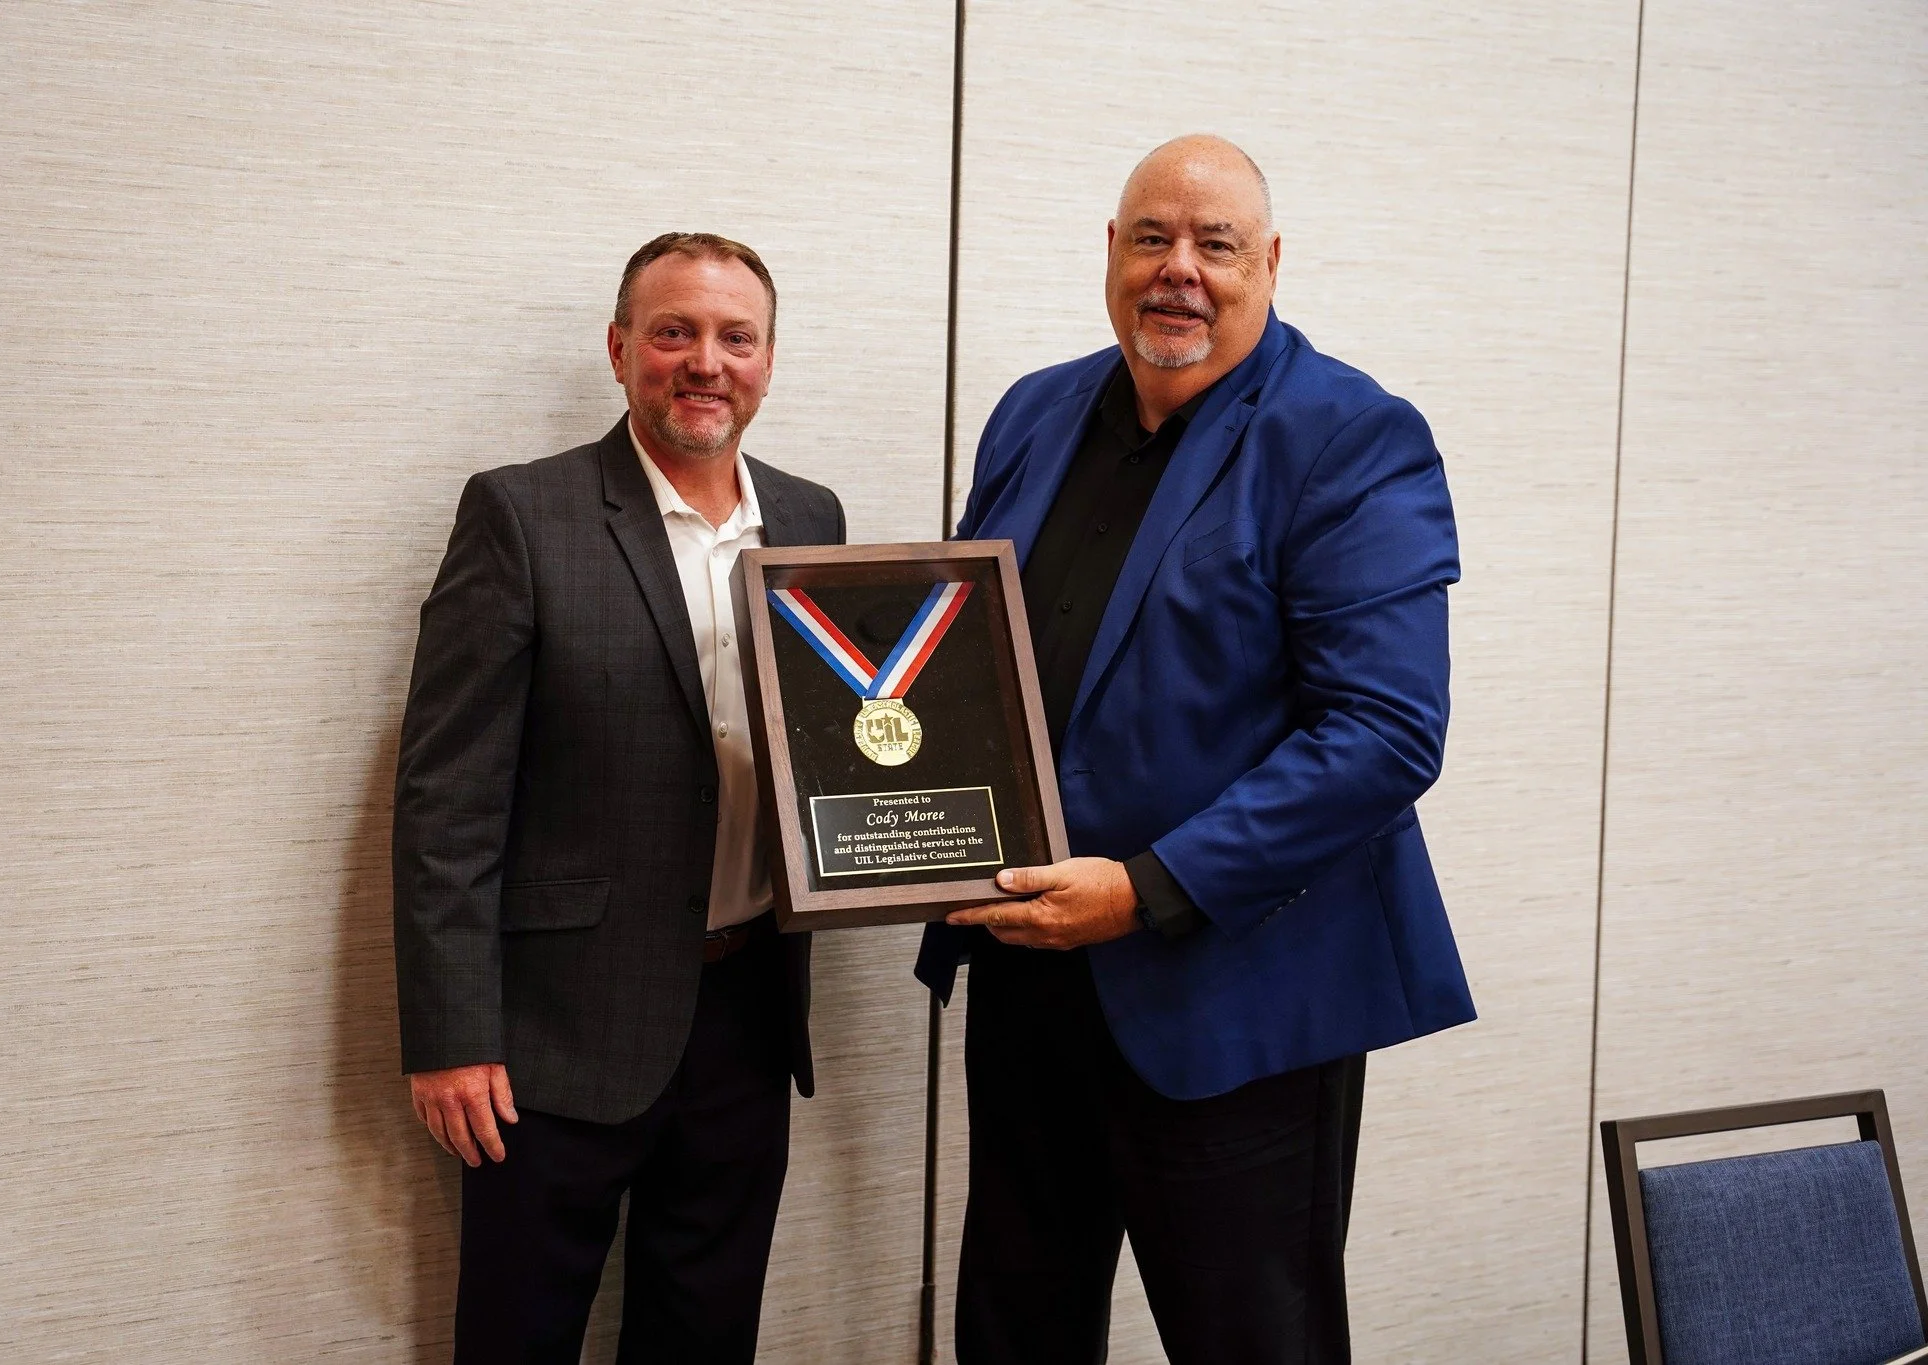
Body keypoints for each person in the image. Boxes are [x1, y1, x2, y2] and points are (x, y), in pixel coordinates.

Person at [916, 136, 1476, 1364]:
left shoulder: (1347, 436)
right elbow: (968, 662)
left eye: (1213, 244)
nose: (1178, 270)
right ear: (1109, 256)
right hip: (1027, 973)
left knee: (1249, 1341)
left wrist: (1147, 891)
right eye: (1149, 238)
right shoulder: (1034, 411)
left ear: (1268, 263)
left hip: (1235, 995)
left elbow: (1384, 733)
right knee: (1013, 1329)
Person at [393, 231, 844, 1363]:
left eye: (734, 338)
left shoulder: (810, 519)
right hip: (553, 1039)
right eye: (673, 332)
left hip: (746, 1018)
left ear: (768, 360)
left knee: (704, 1339)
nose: (705, 362)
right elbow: (447, 798)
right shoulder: (521, 515)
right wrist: (451, 1036)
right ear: (619, 348)